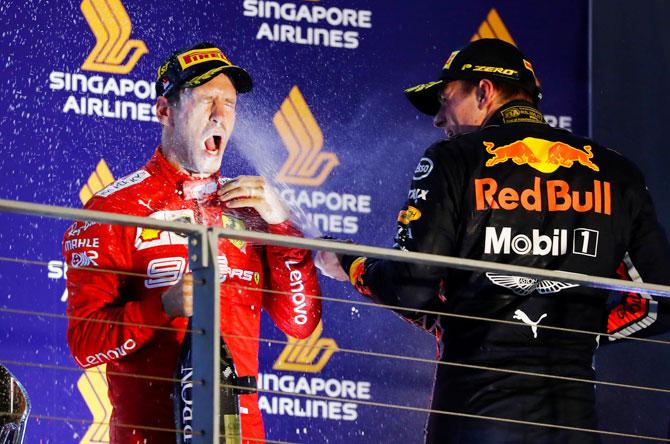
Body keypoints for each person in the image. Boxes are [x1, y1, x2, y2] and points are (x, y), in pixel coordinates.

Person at [328, 38, 670, 443]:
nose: (439, 118)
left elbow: (409, 286)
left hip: (473, 419)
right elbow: (658, 301)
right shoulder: (616, 172)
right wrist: (585, 332)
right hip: (571, 425)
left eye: (444, 98)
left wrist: (349, 262)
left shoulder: (453, 158)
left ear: (484, 91)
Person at [63, 42, 322, 444]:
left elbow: (301, 324)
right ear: (164, 111)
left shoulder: (256, 213)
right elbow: (85, 345)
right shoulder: (114, 208)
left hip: (241, 435)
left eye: (229, 104)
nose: (220, 115)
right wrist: (160, 307)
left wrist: (282, 226)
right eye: (206, 101)